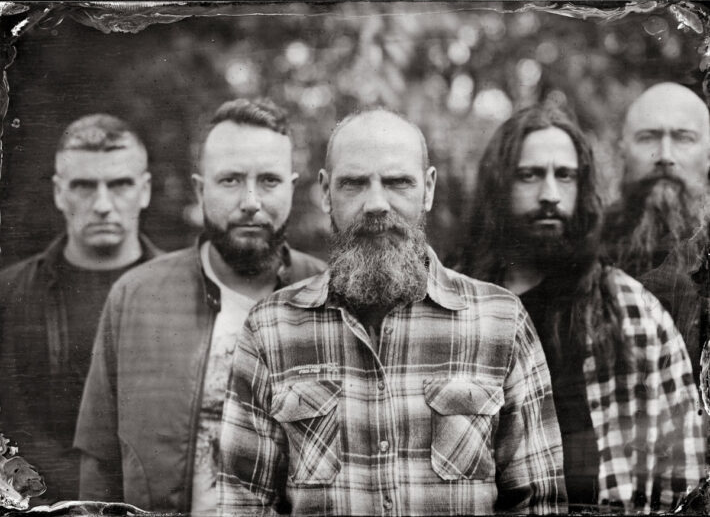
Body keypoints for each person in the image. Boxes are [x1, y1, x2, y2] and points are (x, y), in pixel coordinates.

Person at [217, 108, 566, 516]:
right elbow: (242, 505)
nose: (376, 204)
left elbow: (539, 504)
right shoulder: (270, 329)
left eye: (398, 182)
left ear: (428, 188)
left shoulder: (501, 322)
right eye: (354, 183)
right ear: (326, 192)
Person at [74, 98, 325, 514]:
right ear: (199, 189)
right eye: (230, 180)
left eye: (269, 180)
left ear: (291, 188)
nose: (251, 201)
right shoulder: (136, 297)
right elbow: (98, 465)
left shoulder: (329, 299)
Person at [460, 103, 705, 512]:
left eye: (565, 175)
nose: (550, 195)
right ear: (500, 184)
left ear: (582, 185)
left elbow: (685, 481)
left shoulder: (630, 312)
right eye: (529, 175)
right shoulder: (455, 308)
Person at [0, 114, 160, 504]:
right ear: (59, 192)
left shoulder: (195, 295)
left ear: (144, 190)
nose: (103, 205)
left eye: (120, 184)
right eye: (84, 185)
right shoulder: (6, 295)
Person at [603, 82, 710, 384]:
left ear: (708, 154)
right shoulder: (585, 249)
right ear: (623, 152)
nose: (664, 155)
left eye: (683, 138)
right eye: (648, 137)